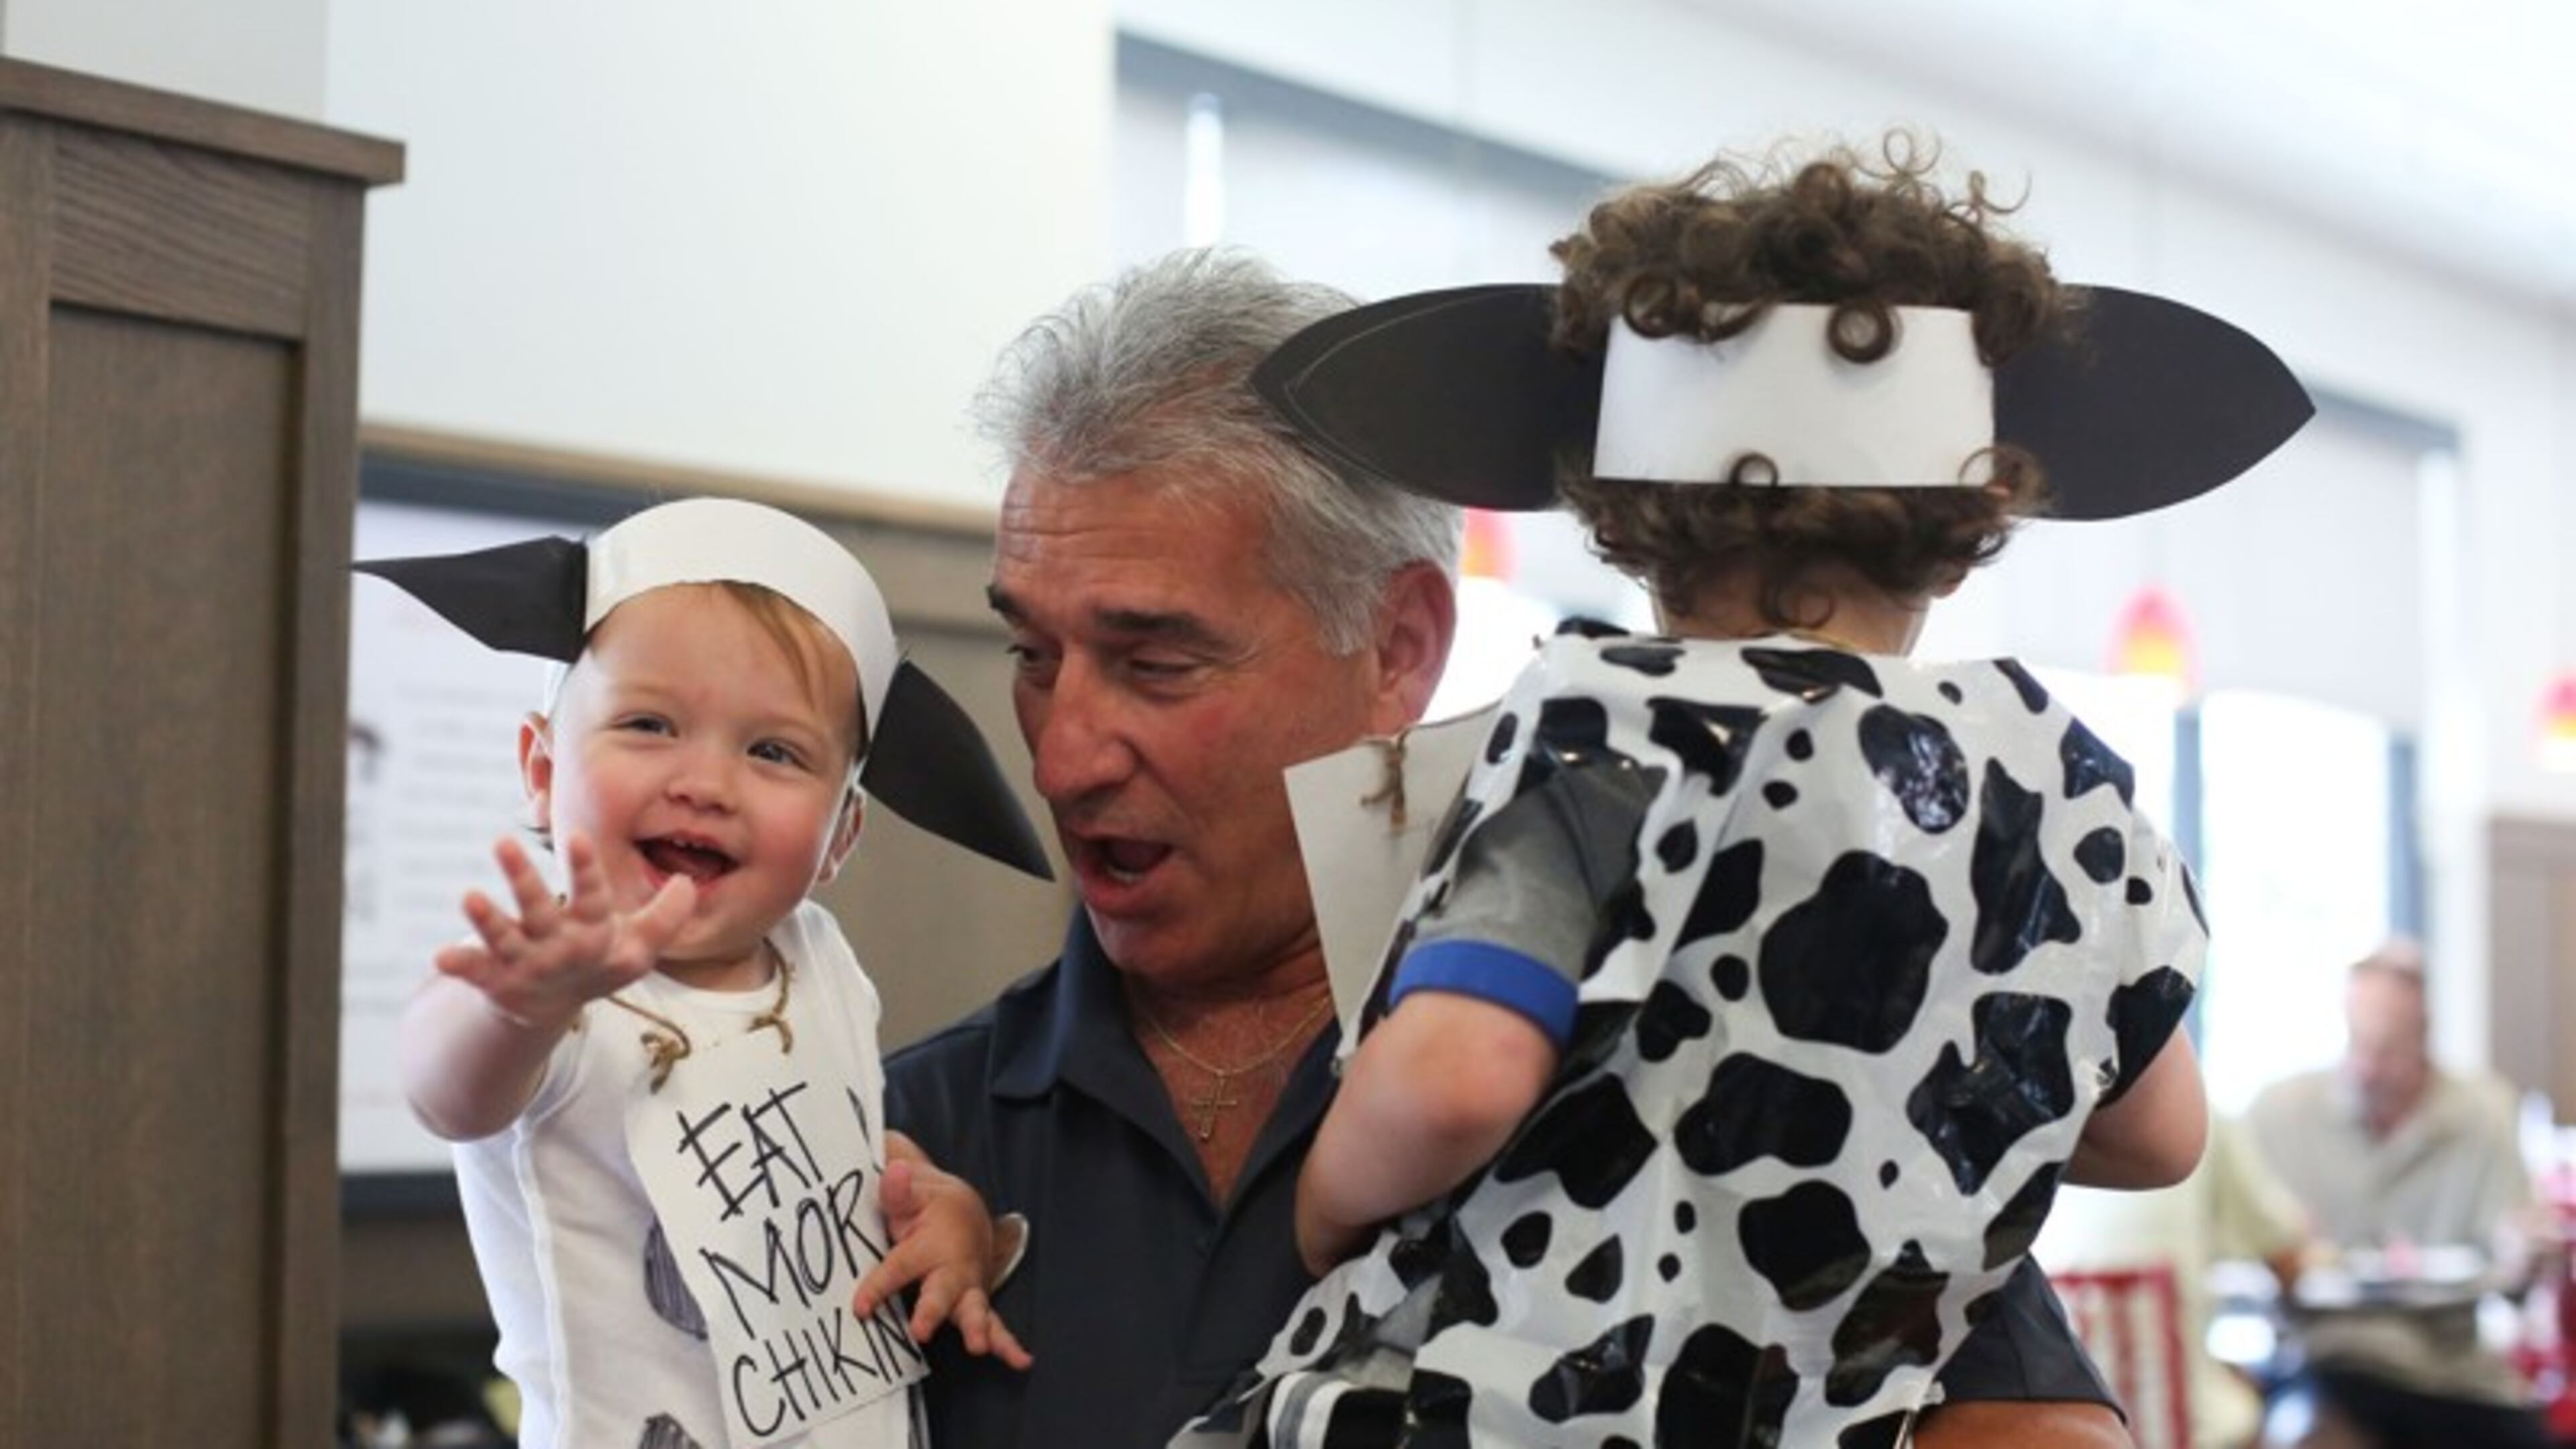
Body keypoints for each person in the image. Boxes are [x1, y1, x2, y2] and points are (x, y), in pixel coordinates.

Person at [886, 244, 2201, 1449]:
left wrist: (1327, 1206)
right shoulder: (895, 1144)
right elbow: (2152, 1127)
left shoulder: (1740, 1018)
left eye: (1157, 663)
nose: (1061, 758)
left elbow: (2043, 1430)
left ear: (1398, 646)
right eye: (1032, 656)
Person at [1189, 137, 2312, 1445]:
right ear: (1964, 531)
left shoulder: (1609, 728)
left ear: (1621, 511)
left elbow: (1456, 1078)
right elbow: (2162, 1135)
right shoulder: (2057, 783)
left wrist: (1324, 1201)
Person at [360, 497, 1051, 1448]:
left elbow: (824, 1146)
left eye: (773, 751)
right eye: (649, 724)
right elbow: (449, 1094)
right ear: (542, 770)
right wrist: (513, 1007)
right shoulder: (560, 986)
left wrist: (945, 1210)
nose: (704, 783)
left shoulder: (819, 959)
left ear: (841, 834)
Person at [2246, 942, 2551, 1449]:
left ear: (2424, 1039)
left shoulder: (2484, 1114)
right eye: (2357, 1044)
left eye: (2387, 1051)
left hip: (2448, 1372)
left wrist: (2523, 1251)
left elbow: (2509, 1264)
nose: (2367, 1068)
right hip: (2323, 1358)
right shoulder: (2280, 1115)